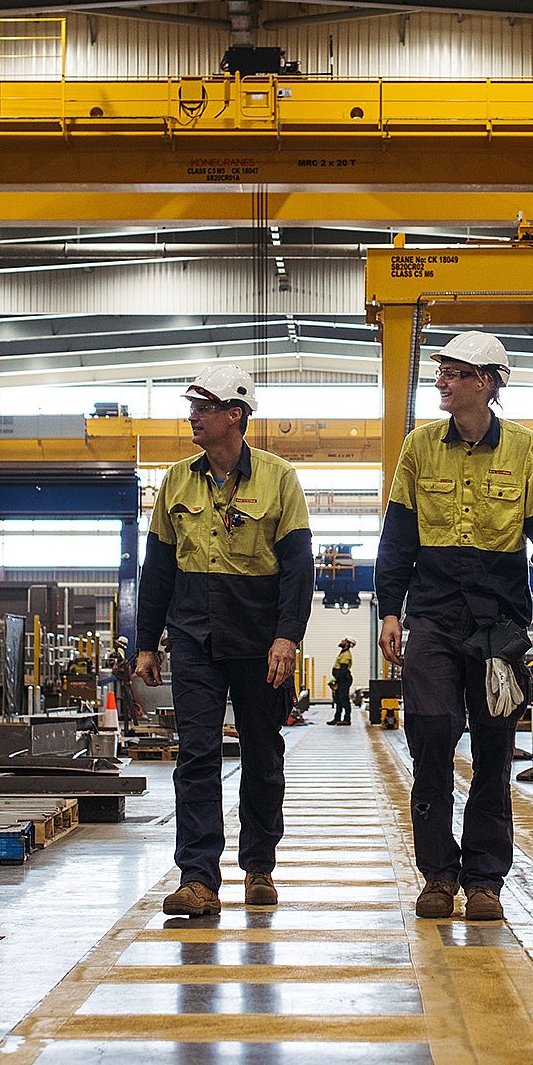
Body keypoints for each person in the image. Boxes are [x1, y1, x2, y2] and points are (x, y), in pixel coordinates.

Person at [376, 331, 533, 923]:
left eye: (453, 373)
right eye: (442, 372)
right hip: (434, 614)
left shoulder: (526, 450)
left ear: (485, 382)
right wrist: (390, 608)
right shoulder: (418, 448)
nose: (441, 382)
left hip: (498, 622)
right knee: (431, 735)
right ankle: (438, 873)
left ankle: (485, 878)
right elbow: (399, 538)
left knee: (491, 746)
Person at [136, 364, 312, 916]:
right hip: (194, 636)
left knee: (263, 754)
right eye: (193, 407)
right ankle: (198, 879)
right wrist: (146, 642)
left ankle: (259, 867)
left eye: (204, 407)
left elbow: (298, 567)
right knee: (196, 755)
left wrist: (288, 637)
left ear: (235, 415)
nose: (193, 416)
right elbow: (158, 569)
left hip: (261, 642)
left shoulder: (279, 479)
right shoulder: (176, 481)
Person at [330, 637, 356, 725]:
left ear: (347, 644)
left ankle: (347, 719)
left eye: (344, 641)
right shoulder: (343, 653)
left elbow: (343, 669)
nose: (342, 641)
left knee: (343, 698)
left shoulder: (346, 655)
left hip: (343, 679)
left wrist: (336, 678)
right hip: (340, 679)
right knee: (338, 699)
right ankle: (337, 718)